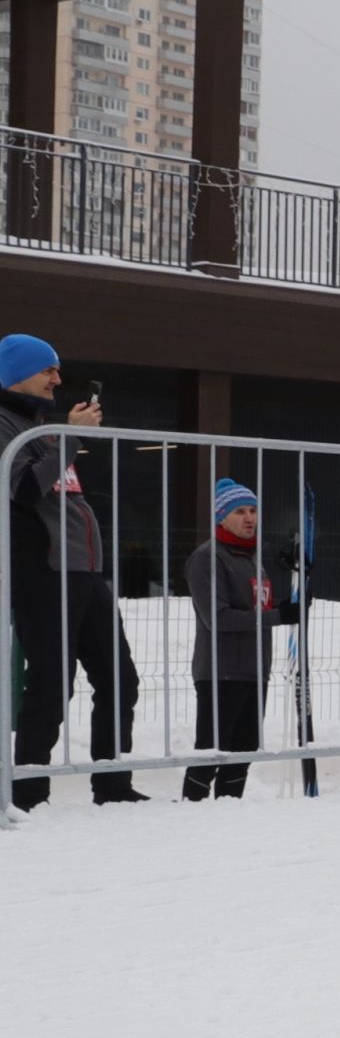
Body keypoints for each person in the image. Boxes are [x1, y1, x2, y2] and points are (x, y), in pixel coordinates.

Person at [1, 333, 145, 809]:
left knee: (119, 677)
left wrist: (62, 435)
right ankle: (27, 794)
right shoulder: (12, 427)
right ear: (16, 373)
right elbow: (23, 490)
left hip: (85, 572)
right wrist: (68, 435)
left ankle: (112, 784)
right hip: (43, 571)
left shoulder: (42, 428)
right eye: (48, 370)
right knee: (51, 681)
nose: (57, 379)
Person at [180, 478, 296, 800]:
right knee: (211, 754)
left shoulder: (251, 559)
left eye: (254, 510)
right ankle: (193, 811)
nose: (250, 518)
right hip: (221, 670)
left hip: (255, 668)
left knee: (243, 753)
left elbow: (260, 607)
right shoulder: (208, 558)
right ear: (221, 517)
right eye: (240, 511)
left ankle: (229, 811)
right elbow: (217, 618)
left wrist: (291, 598)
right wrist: (279, 615)